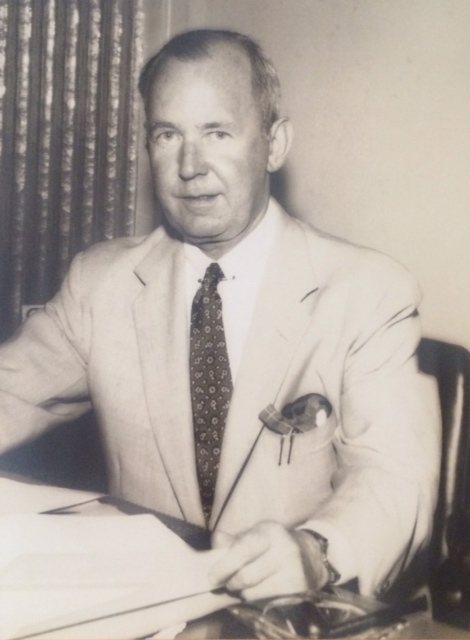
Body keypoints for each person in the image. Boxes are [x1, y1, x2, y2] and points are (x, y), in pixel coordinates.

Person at [0, 29, 440, 603]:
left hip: (295, 616)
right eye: (167, 135)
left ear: (274, 144)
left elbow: (396, 478)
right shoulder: (100, 284)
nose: (189, 166)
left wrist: (317, 551)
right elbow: (11, 390)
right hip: (146, 612)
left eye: (217, 133)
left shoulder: (367, 292)